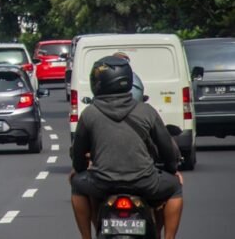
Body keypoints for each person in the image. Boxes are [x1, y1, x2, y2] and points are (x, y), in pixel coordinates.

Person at [70, 56, 183, 239]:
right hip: (145, 183)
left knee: (77, 184)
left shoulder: (89, 113)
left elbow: (78, 155)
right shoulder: (147, 111)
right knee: (175, 187)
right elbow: (168, 151)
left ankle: (86, 237)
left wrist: (80, 169)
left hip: (102, 183)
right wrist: (172, 170)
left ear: (99, 83)